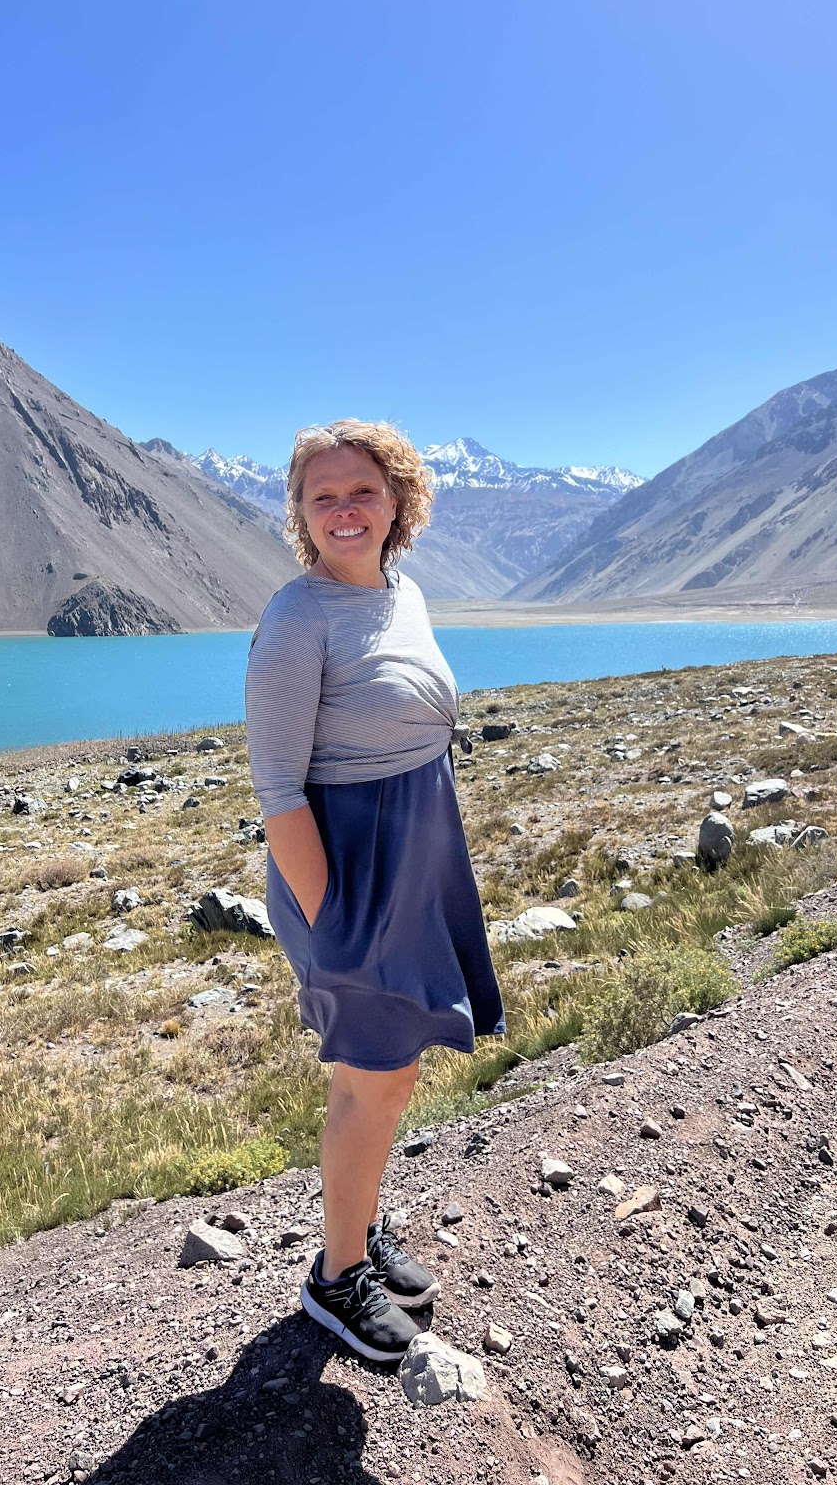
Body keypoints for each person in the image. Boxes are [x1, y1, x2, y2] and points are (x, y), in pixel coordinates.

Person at [244, 418, 506, 1362]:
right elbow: (278, 792)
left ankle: (354, 1228)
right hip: (344, 870)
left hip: (412, 859)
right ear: (301, 514)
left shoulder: (404, 592)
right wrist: (335, 921)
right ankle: (335, 1277)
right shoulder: (296, 619)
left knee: (391, 1075)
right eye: (323, 496)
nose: (344, 509)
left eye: (362, 490)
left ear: (398, 500)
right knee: (375, 1076)